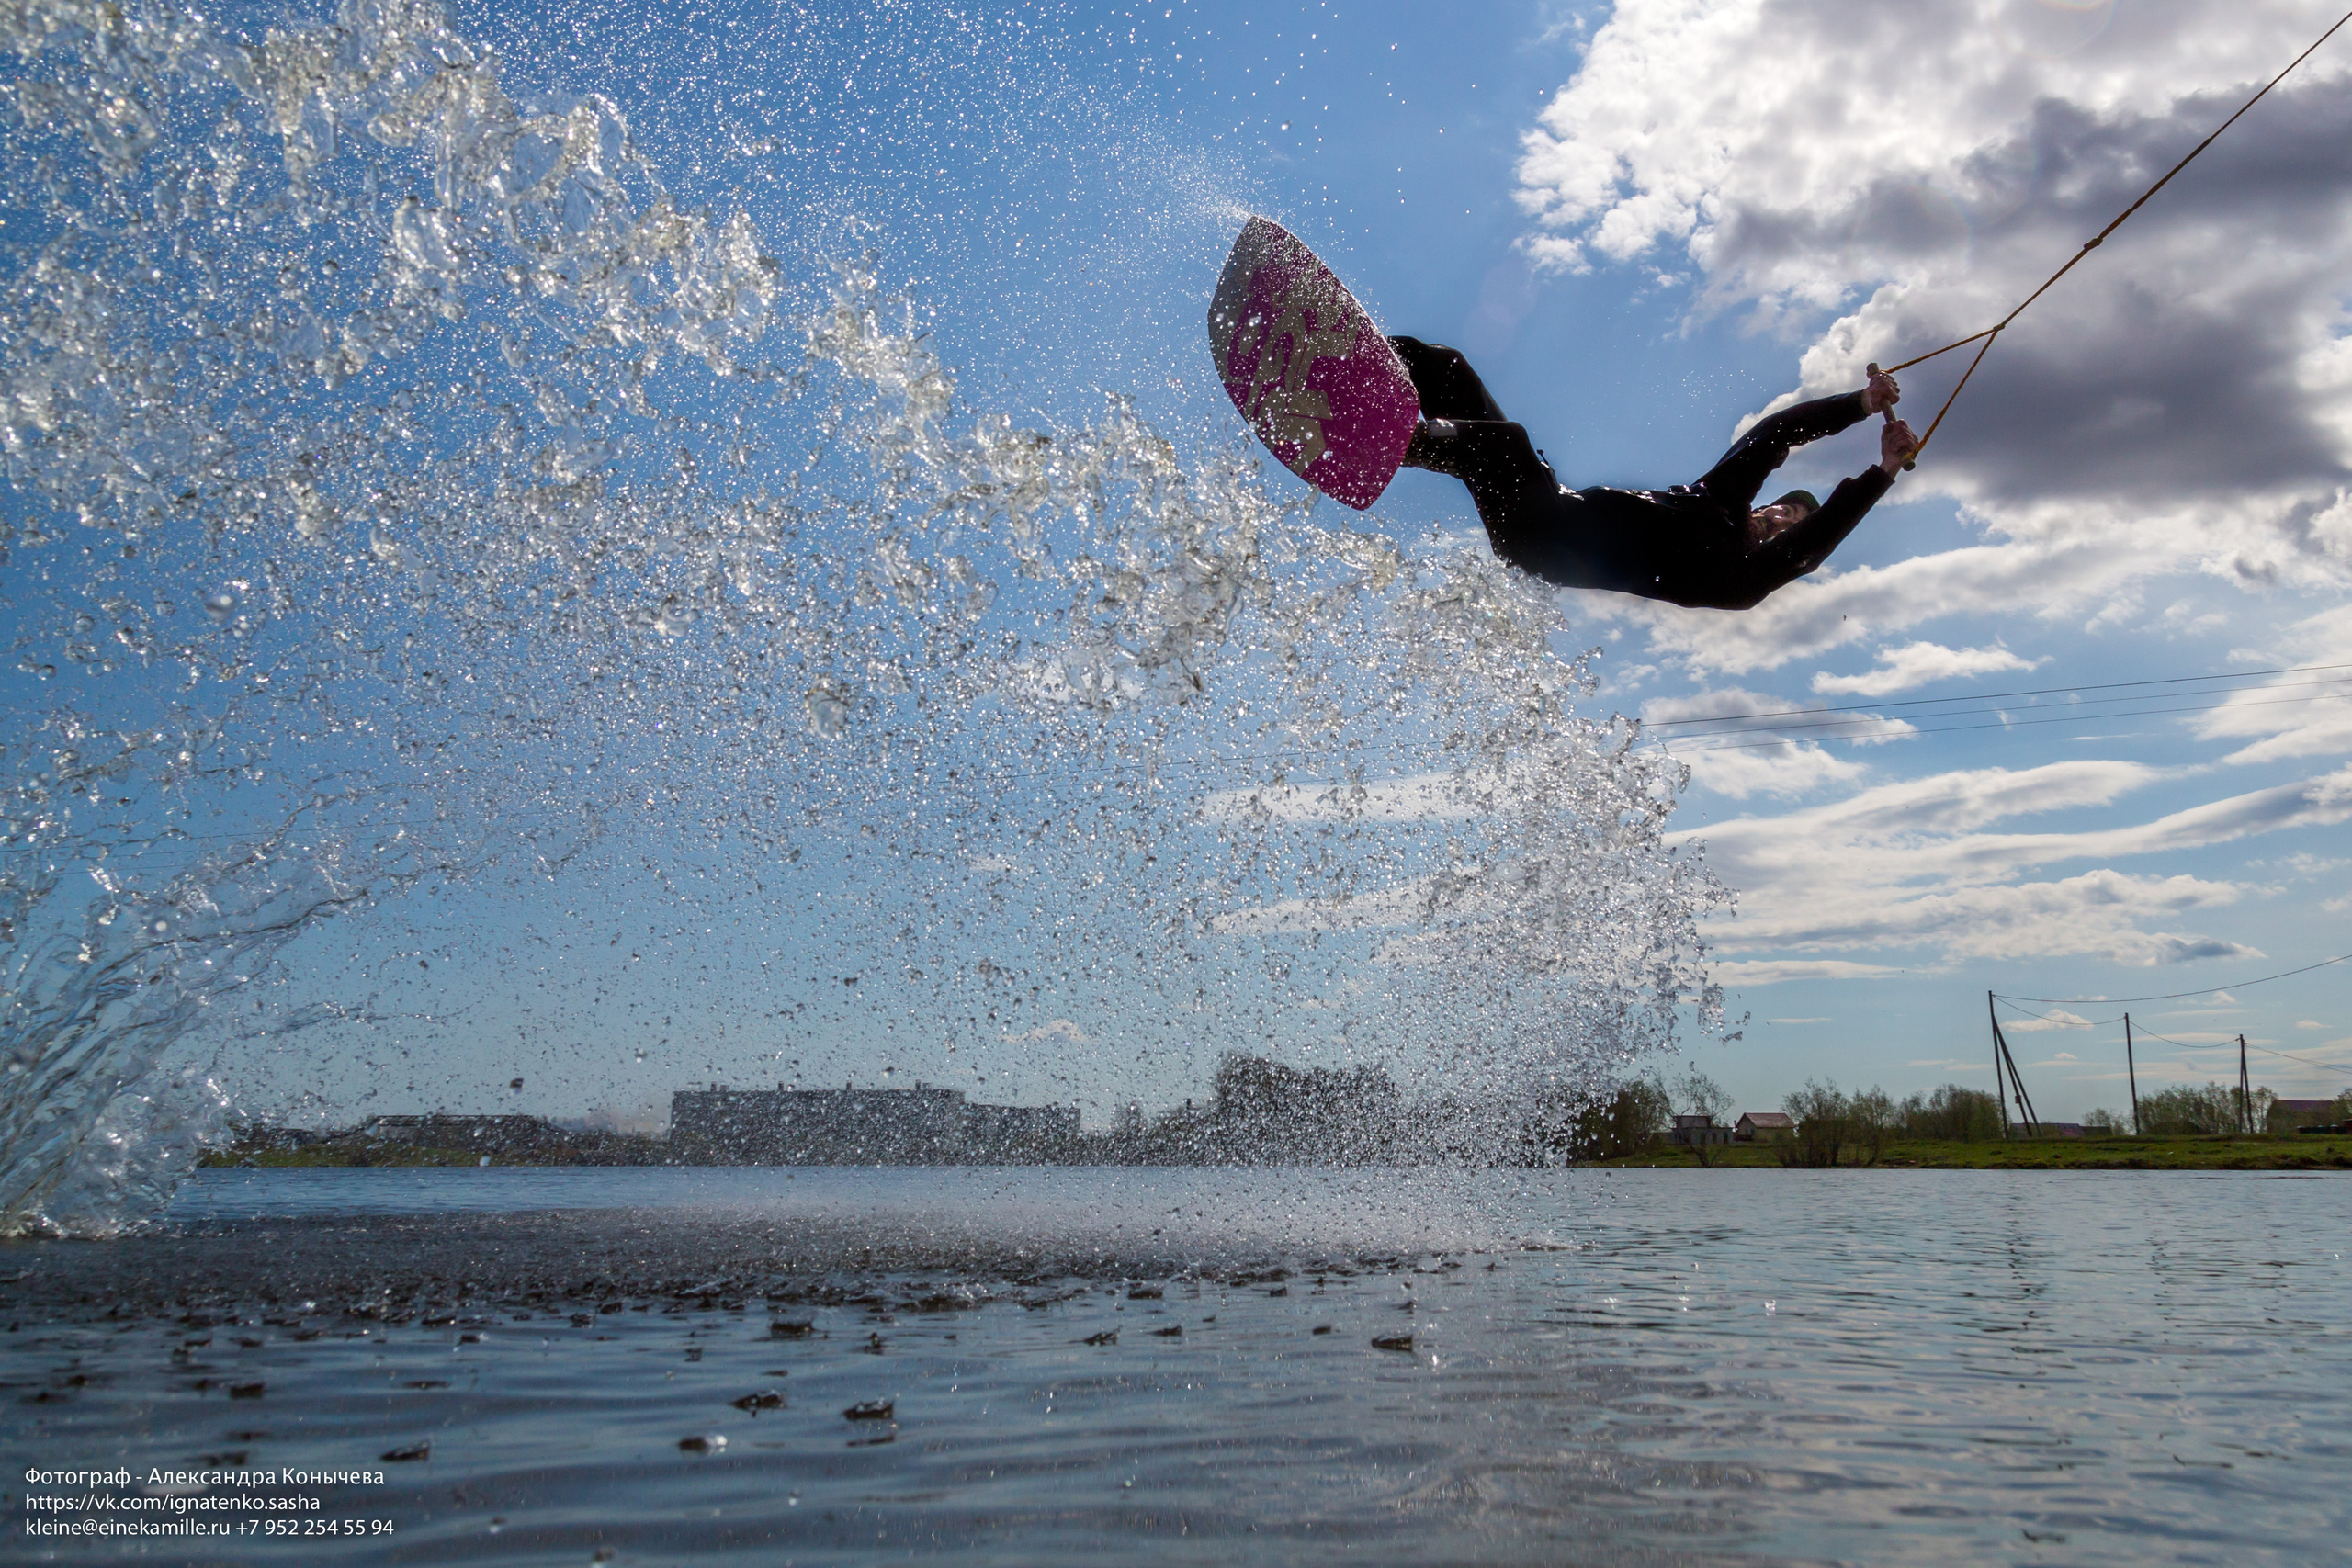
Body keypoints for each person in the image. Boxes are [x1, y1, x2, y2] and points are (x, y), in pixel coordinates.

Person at [1389, 337, 1920, 611]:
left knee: (1504, 444)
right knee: (1446, 367)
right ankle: (1331, 352)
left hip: (1540, 539)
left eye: (1789, 528)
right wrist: (1859, 403)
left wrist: (1883, 472)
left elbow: (1810, 548)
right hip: (1549, 497)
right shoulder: (1717, 498)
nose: (1779, 522)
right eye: (1783, 511)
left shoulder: (1733, 580)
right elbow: (1774, 434)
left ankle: (1370, 437)